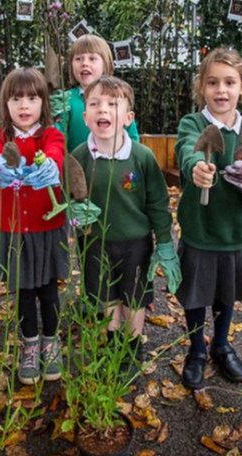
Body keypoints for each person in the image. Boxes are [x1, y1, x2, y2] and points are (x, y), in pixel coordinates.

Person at [69, 76, 179, 382]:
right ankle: (113, 341)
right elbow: (67, 196)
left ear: (128, 117)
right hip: (94, 243)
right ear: (85, 116)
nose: (103, 110)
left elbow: (157, 202)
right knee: (106, 297)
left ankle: (131, 346)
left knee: (134, 298)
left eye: (112, 104)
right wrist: (72, 210)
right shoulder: (78, 157)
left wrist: (165, 243)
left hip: (135, 243)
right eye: (95, 104)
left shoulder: (141, 156)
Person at [174, 48, 242, 390]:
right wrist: (197, 168)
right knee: (197, 295)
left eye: (230, 82)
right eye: (213, 82)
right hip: (200, 230)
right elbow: (187, 149)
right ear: (201, 86)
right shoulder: (193, 124)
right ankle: (197, 349)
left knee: (225, 295)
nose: (221, 90)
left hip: (233, 233)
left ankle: (221, 344)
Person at [0, 68, 67, 385]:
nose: (24, 106)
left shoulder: (51, 134)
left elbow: (56, 153)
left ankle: (51, 342)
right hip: (13, 231)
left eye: (32, 98)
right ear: (6, 104)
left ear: (44, 103)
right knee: (24, 292)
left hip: (47, 227)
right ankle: (30, 345)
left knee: (49, 291)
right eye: (16, 99)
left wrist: (52, 168)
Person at [54, 34, 139, 152]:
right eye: (78, 58)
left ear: (105, 64)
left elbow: (132, 140)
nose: (84, 63)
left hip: (115, 167)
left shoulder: (118, 97)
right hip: (77, 167)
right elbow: (58, 140)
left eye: (92, 58)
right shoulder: (65, 100)